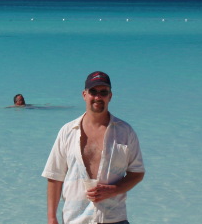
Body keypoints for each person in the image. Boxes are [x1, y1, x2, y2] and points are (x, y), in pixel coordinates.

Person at [42, 71, 145, 224]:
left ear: (110, 96)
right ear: (84, 94)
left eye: (103, 92)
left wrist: (114, 190)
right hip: (75, 219)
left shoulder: (125, 132)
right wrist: (51, 218)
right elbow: (55, 176)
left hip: (114, 219)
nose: (98, 97)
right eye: (93, 92)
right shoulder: (67, 131)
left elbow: (137, 173)